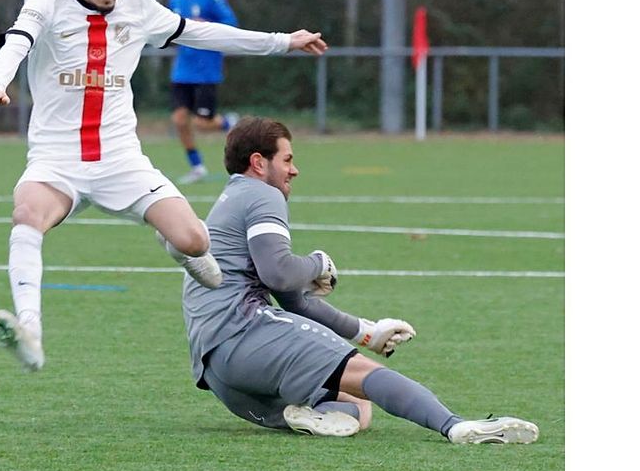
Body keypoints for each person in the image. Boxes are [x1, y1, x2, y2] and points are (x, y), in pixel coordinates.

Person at [0, 0, 328, 373]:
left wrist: (282, 42)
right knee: (26, 216)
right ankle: (30, 333)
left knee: (195, 240)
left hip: (122, 161)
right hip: (56, 161)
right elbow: (20, 39)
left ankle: (177, 245)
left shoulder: (137, 5)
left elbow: (203, 33)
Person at [182, 116, 540, 443]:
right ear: (259, 163)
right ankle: (455, 426)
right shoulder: (262, 194)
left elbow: (292, 299)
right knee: (369, 374)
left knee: (356, 407)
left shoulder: (233, 198)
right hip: (242, 333)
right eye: (287, 159)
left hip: (219, 371)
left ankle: (313, 415)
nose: (295, 170)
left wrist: (367, 332)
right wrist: (318, 263)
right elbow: (279, 272)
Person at [166, 0, 239, 184]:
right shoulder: (175, 0)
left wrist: (207, 26)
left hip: (206, 70)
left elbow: (231, 23)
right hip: (182, 71)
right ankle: (197, 166)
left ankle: (229, 123)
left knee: (201, 122)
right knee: (179, 120)